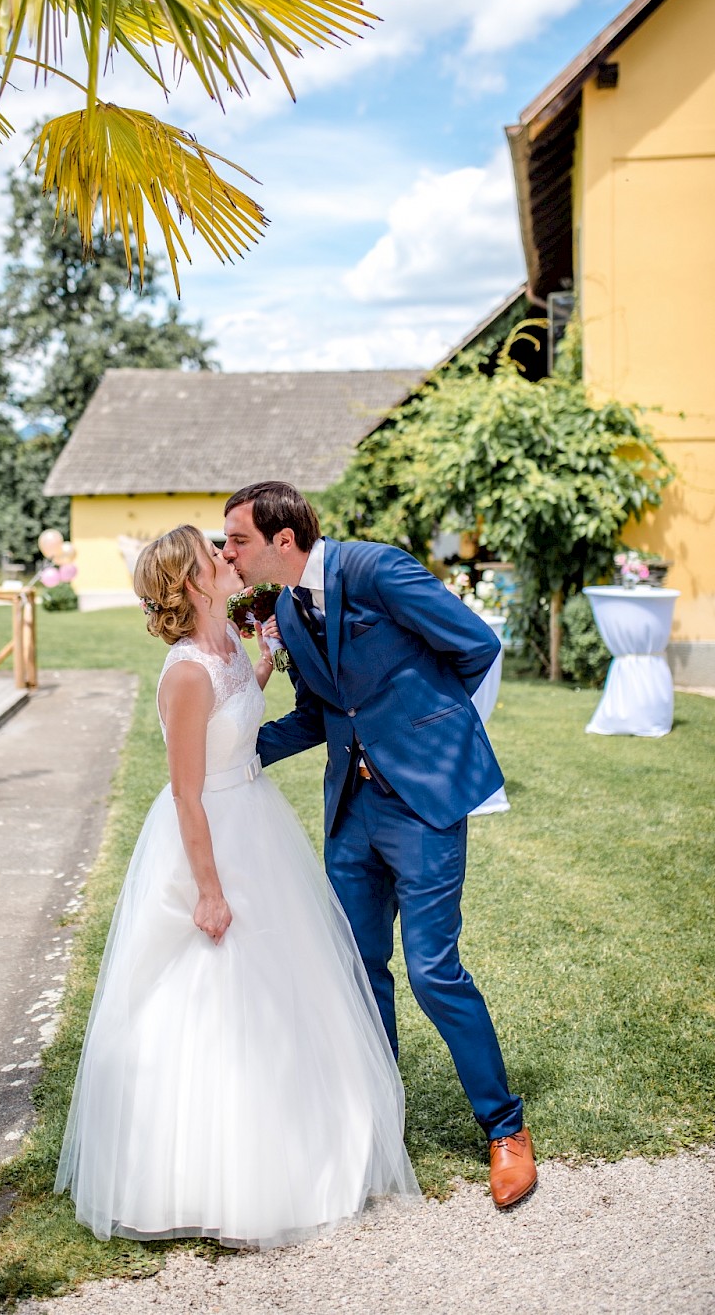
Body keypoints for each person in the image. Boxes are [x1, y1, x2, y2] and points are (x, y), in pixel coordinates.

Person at [54, 524, 419, 1247]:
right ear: (191, 584)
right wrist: (210, 891)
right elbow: (188, 792)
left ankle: (311, 1131)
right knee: (215, 992)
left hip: (256, 818)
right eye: (211, 556)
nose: (228, 558)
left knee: (290, 981)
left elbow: (238, 718)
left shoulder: (223, 650)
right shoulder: (185, 672)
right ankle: (210, 1171)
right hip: (212, 833)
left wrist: (261, 664)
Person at [222, 483, 537, 1210]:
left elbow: (476, 645)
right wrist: (236, 751)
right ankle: (376, 1120)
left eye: (237, 540)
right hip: (352, 815)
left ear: (283, 538)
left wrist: (428, 736)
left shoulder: (378, 571)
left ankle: (505, 1128)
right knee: (359, 970)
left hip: (421, 806)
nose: (228, 552)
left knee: (431, 969)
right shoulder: (290, 616)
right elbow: (320, 711)